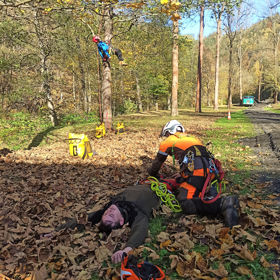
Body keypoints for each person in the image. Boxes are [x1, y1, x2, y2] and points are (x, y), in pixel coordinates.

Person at [148, 120, 240, 228]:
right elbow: (197, 158)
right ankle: (210, 195)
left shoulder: (167, 142)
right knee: (195, 188)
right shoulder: (193, 138)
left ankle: (222, 204)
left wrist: (152, 174)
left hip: (198, 172)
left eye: (166, 135)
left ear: (168, 132)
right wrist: (183, 174)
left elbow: (157, 163)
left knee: (185, 202)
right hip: (210, 172)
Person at [44, 184, 160, 264]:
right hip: (157, 188)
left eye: (106, 214)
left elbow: (84, 219)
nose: (108, 211)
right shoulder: (136, 214)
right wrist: (126, 250)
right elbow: (140, 229)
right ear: (121, 221)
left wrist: (57, 230)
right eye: (111, 216)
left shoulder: (109, 207)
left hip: (141, 184)